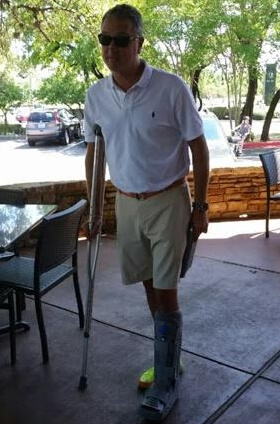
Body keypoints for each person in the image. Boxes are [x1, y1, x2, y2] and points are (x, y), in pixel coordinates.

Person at [84, 4, 209, 422]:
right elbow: (94, 150)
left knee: (166, 288)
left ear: (139, 41)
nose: (112, 49)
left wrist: (202, 206)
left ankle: (167, 380)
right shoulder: (96, 95)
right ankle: (169, 356)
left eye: (121, 40)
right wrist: (96, 201)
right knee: (147, 284)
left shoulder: (170, 88)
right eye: (105, 40)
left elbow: (198, 145)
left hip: (169, 199)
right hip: (126, 201)